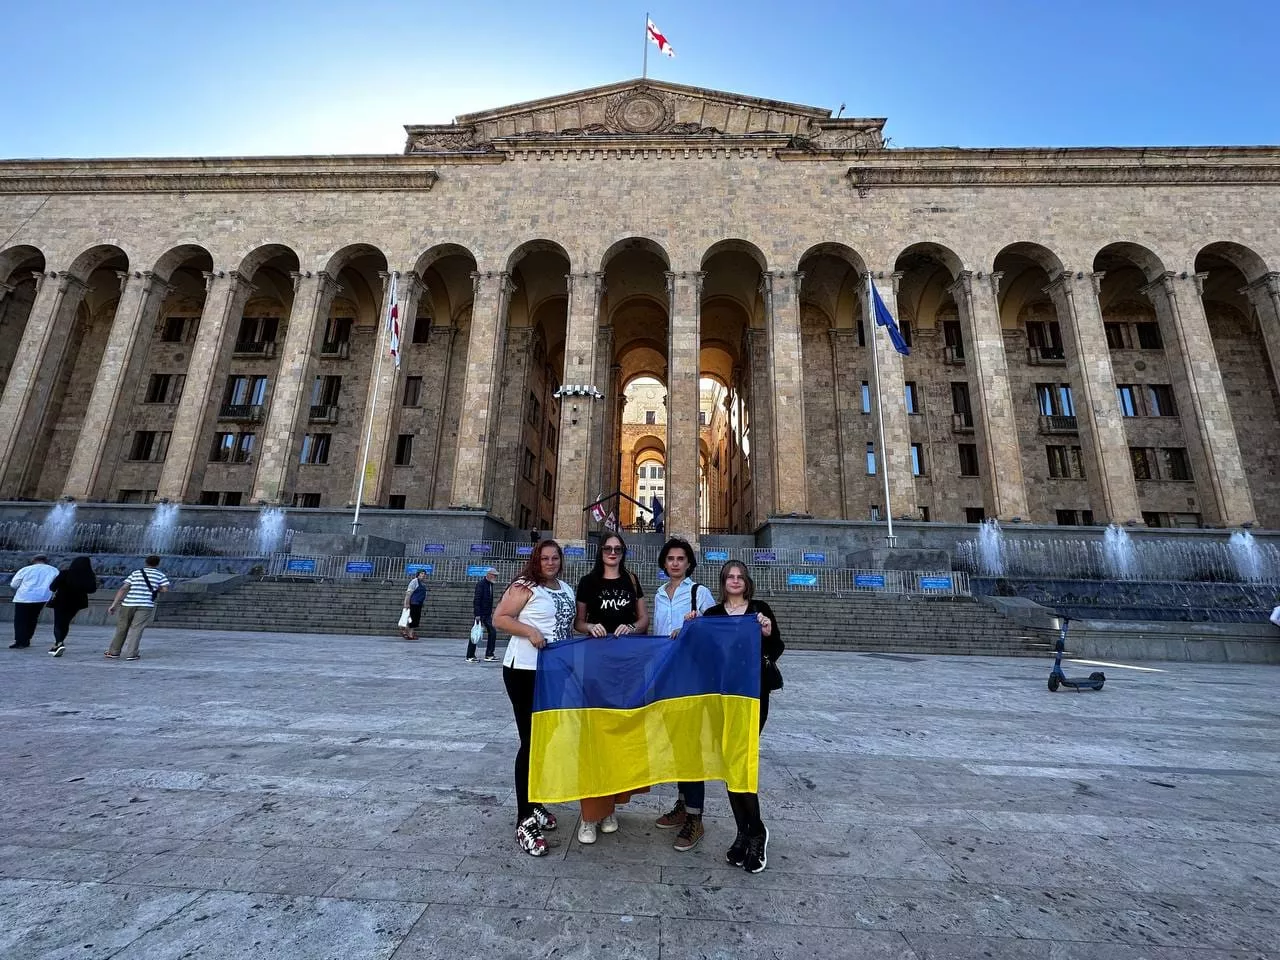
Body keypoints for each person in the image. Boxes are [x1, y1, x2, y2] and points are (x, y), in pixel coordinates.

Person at [492, 538, 576, 857]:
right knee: (530, 741)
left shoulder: (565, 589)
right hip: (524, 670)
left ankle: (535, 800)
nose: (550, 562)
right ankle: (524, 818)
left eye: (555, 558)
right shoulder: (525, 585)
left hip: (555, 673)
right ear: (536, 560)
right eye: (545, 558)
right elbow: (500, 618)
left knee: (546, 740)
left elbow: (567, 629)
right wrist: (529, 631)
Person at [704, 560, 783, 874]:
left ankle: (757, 832)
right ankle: (743, 830)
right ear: (722, 582)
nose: (735, 581)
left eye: (740, 577)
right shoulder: (712, 615)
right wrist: (691, 623)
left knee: (740, 761)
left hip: (751, 698)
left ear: (746, 582)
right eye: (729, 577)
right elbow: (700, 652)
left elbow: (776, 649)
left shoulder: (759, 610)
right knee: (729, 764)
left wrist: (767, 631)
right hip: (721, 699)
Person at [572, 532, 651, 844]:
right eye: (608, 548)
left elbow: (644, 619)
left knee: (619, 736)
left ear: (623, 552)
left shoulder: (631, 580)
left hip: (626, 668)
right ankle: (588, 816)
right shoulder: (588, 582)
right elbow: (578, 623)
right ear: (600, 551)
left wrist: (631, 627)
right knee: (594, 736)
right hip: (595, 667)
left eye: (618, 549)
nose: (613, 553)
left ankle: (610, 809)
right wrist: (590, 626)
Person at [650, 536, 714, 851]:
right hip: (667, 677)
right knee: (677, 744)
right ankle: (682, 805)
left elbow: (717, 628)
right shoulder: (659, 594)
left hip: (691, 678)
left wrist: (696, 624)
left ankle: (695, 818)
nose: (675, 563)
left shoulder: (699, 593)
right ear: (664, 563)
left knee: (691, 748)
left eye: (681, 559)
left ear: (689, 563)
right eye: (671, 558)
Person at [105, 555, 170, 661]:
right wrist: (156, 589)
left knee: (122, 628)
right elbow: (165, 589)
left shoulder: (136, 573)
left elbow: (123, 588)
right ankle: (131, 654)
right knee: (137, 629)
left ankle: (114, 652)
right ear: (158, 563)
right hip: (145, 605)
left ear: (145, 562)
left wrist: (114, 605)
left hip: (128, 603)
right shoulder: (160, 575)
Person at [47, 556, 98, 657]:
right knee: (65, 622)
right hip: (77, 602)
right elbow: (92, 590)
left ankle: (59, 643)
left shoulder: (65, 573)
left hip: (62, 600)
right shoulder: (89, 575)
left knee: (58, 622)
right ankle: (58, 643)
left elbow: (52, 587)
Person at [9, 554, 59, 649]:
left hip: (23, 597)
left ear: (33, 560)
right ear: (45, 560)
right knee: (33, 618)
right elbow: (56, 584)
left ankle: (20, 641)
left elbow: (14, 584)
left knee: (20, 620)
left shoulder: (26, 569)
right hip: (42, 597)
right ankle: (27, 639)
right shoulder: (53, 570)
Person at [467, 567, 498, 662]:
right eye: (494, 575)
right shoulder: (481, 584)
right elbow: (477, 599)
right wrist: (477, 614)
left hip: (487, 613)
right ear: (488, 575)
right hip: (481, 613)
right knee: (475, 633)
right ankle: (470, 655)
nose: (495, 577)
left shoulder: (490, 585)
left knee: (492, 632)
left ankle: (489, 654)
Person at [401, 569, 429, 640]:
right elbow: (409, 593)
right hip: (413, 603)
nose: (423, 575)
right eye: (422, 573)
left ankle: (410, 633)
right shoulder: (414, 581)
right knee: (410, 618)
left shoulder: (423, 584)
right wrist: (407, 603)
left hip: (419, 603)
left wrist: (423, 602)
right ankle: (405, 632)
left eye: (424, 574)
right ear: (418, 574)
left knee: (415, 619)